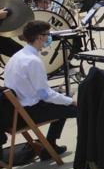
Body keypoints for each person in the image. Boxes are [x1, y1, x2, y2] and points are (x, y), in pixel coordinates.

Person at [4, 20, 77, 158]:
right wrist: (71, 101)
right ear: (39, 37)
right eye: (48, 34)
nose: (49, 37)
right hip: (28, 112)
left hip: (16, 111)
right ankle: (84, 148)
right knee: (78, 109)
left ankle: (50, 145)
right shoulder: (33, 61)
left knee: (62, 101)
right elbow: (45, 95)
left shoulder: (18, 56)